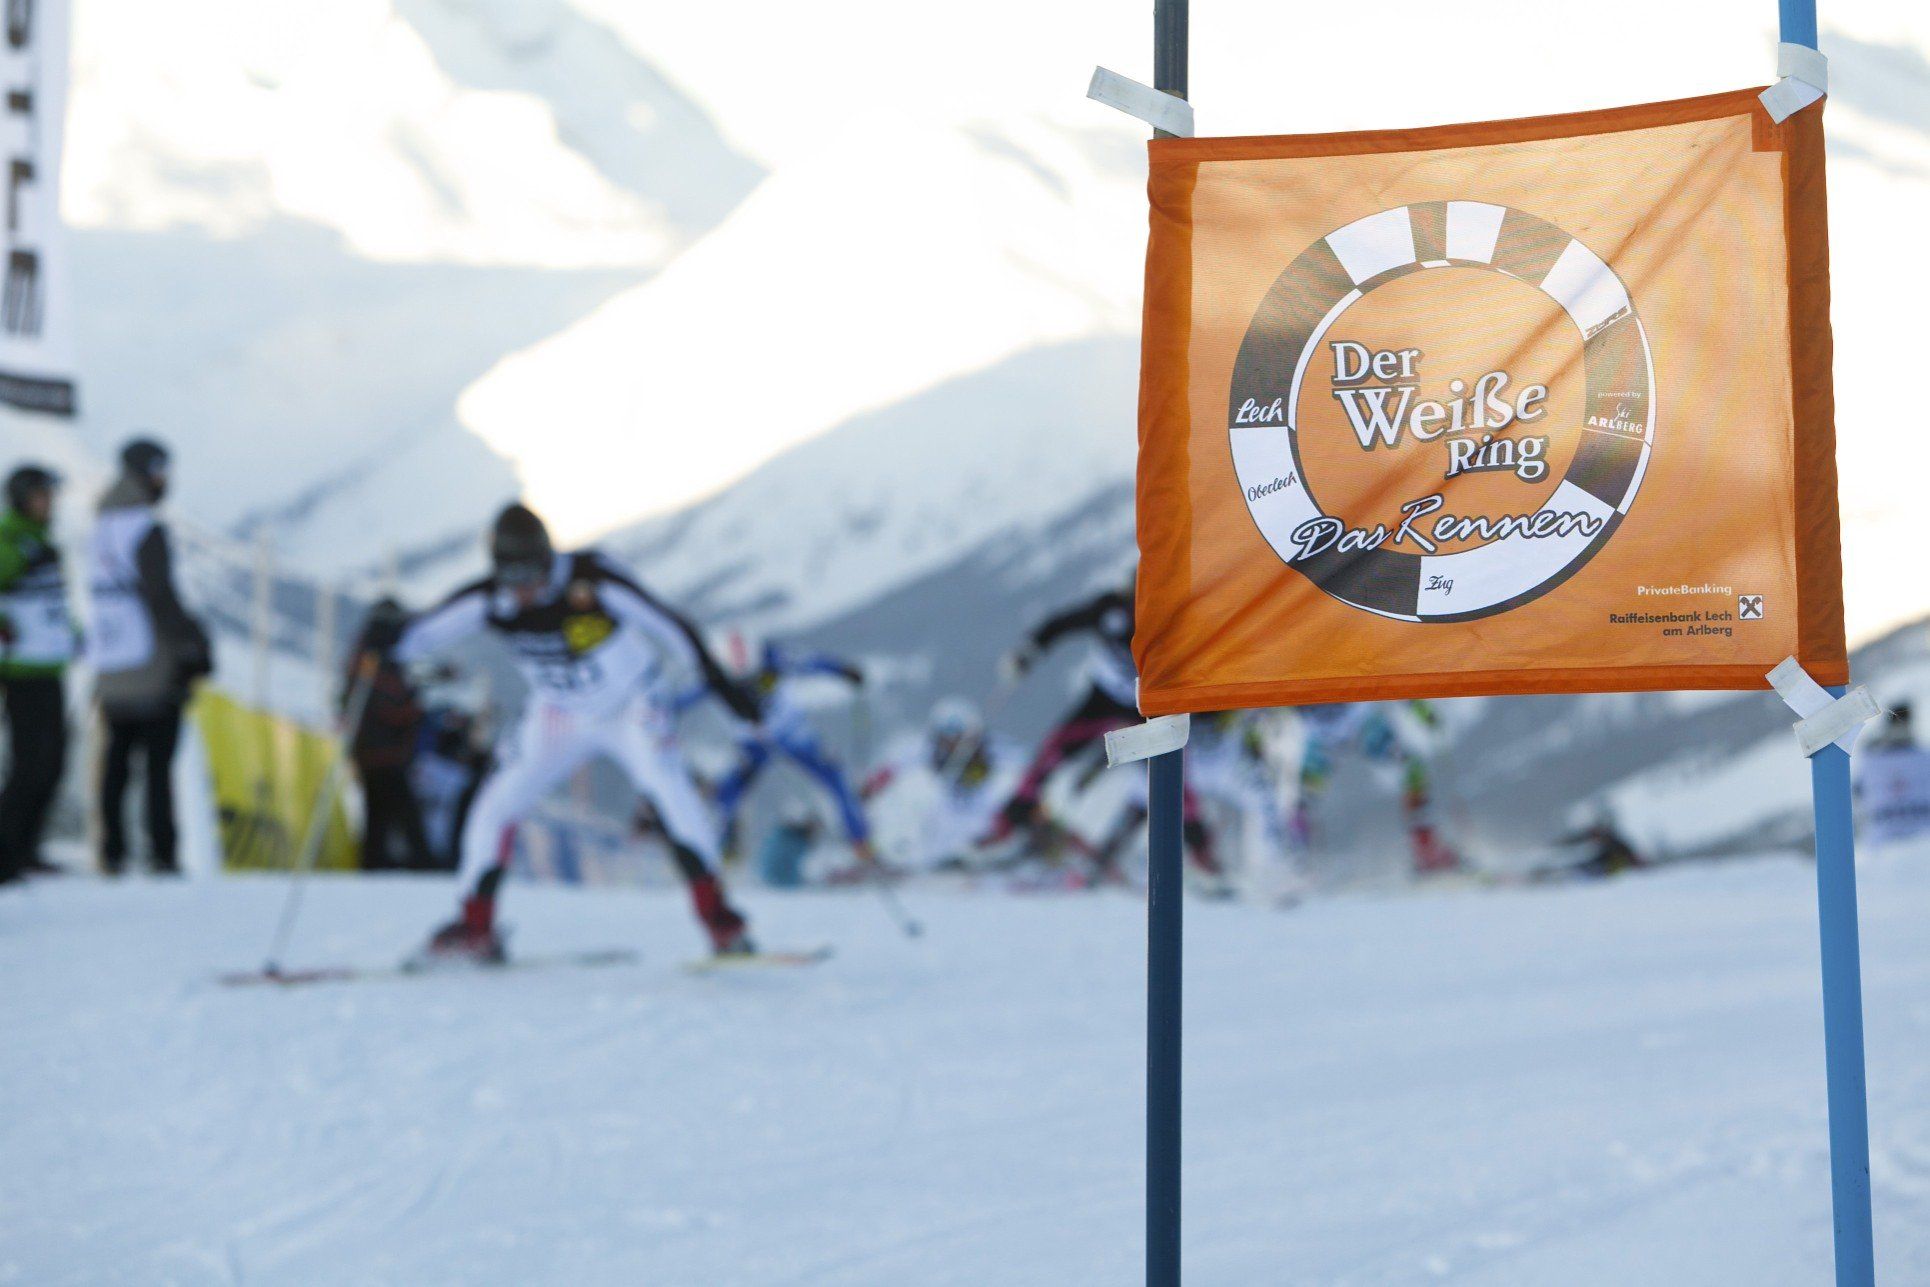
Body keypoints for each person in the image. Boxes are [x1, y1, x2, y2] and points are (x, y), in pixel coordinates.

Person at [393, 503, 763, 961]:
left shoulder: (593, 579)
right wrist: (387, 635)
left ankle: (719, 920)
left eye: (532, 575)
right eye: (512, 578)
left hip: (630, 706)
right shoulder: (493, 600)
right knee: (496, 804)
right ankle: (475, 926)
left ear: (548, 559)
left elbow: (671, 626)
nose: (524, 590)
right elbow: (420, 635)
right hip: (559, 714)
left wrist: (724, 686)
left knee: (668, 790)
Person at [89, 438, 212, 876]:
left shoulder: (100, 524)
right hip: (151, 662)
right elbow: (160, 595)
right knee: (158, 765)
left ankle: (112, 851)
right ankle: (162, 851)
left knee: (116, 762)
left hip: (109, 661)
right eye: (160, 470)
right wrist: (193, 647)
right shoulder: (144, 527)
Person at [712, 639, 875, 866]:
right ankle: (723, 852)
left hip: (792, 735)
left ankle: (862, 846)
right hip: (753, 742)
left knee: (836, 779)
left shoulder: (775, 659)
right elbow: (685, 697)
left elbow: (811, 662)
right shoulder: (714, 672)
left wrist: (842, 670)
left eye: (761, 679)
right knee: (727, 794)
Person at [0, 466, 79, 883]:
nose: (49, 504)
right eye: (41, 496)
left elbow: (51, 606)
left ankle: (27, 850)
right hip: (21, 671)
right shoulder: (10, 540)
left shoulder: (43, 542)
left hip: (50, 667)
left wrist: (74, 637)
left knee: (52, 763)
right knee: (30, 765)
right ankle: (5, 856)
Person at [1291, 701, 1457, 875]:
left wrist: (1424, 712)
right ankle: (1299, 863)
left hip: (1359, 722)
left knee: (1411, 767)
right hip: (1323, 735)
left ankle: (1425, 848)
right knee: (1304, 798)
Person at [345, 597, 435, 871]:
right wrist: (411, 709)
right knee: (400, 810)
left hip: (378, 752)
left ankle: (375, 863)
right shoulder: (372, 659)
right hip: (382, 752)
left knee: (379, 813)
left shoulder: (376, 657)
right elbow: (380, 702)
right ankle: (421, 863)